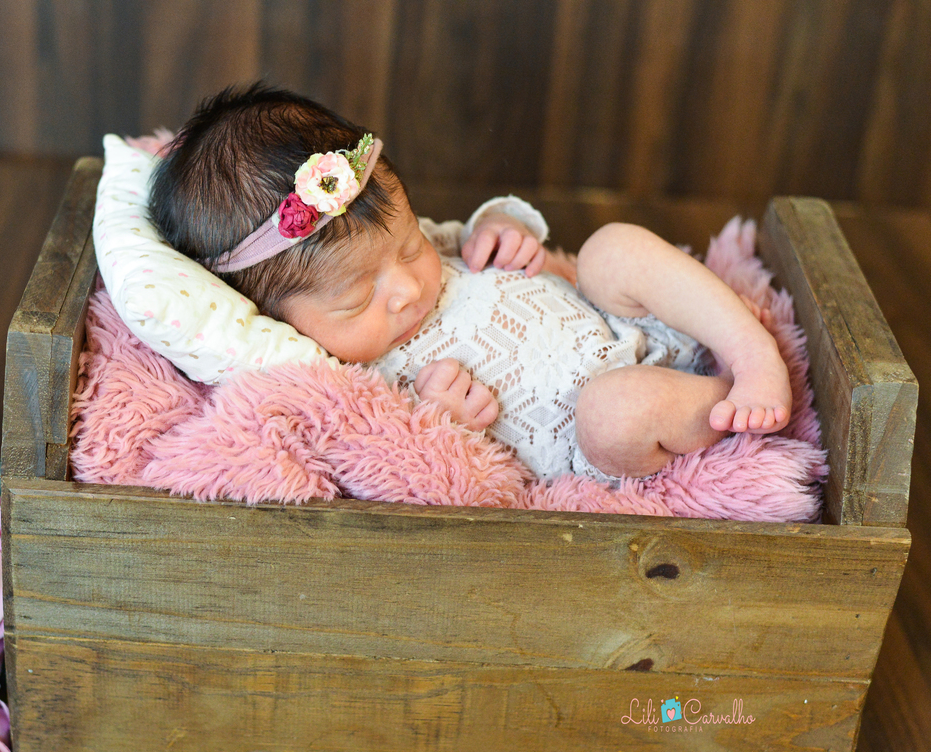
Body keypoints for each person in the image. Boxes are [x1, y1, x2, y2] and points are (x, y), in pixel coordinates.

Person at [149, 85, 790, 480]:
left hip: (627, 326)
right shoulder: (334, 377)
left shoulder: (418, 247)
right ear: (268, 313)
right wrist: (441, 419)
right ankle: (720, 408)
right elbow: (402, 468)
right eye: (355, 299)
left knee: (610, 248)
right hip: (603, 437)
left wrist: (503, 225)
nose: (404, 287)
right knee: (613, 410)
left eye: (407, 246)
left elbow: (473, 225)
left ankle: (748, 350)